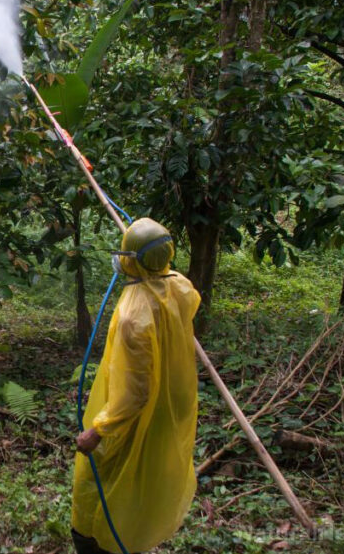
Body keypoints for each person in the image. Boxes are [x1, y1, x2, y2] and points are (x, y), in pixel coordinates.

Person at [71, 217, 201, 554]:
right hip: (170, 404)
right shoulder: (181, 286)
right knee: (143, 480)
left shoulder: (133, 316)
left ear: (133, 259)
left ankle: (99, 544)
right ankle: (131, 539)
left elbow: (136, 392)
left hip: (133, 414)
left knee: (97, 483)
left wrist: (98, 430)